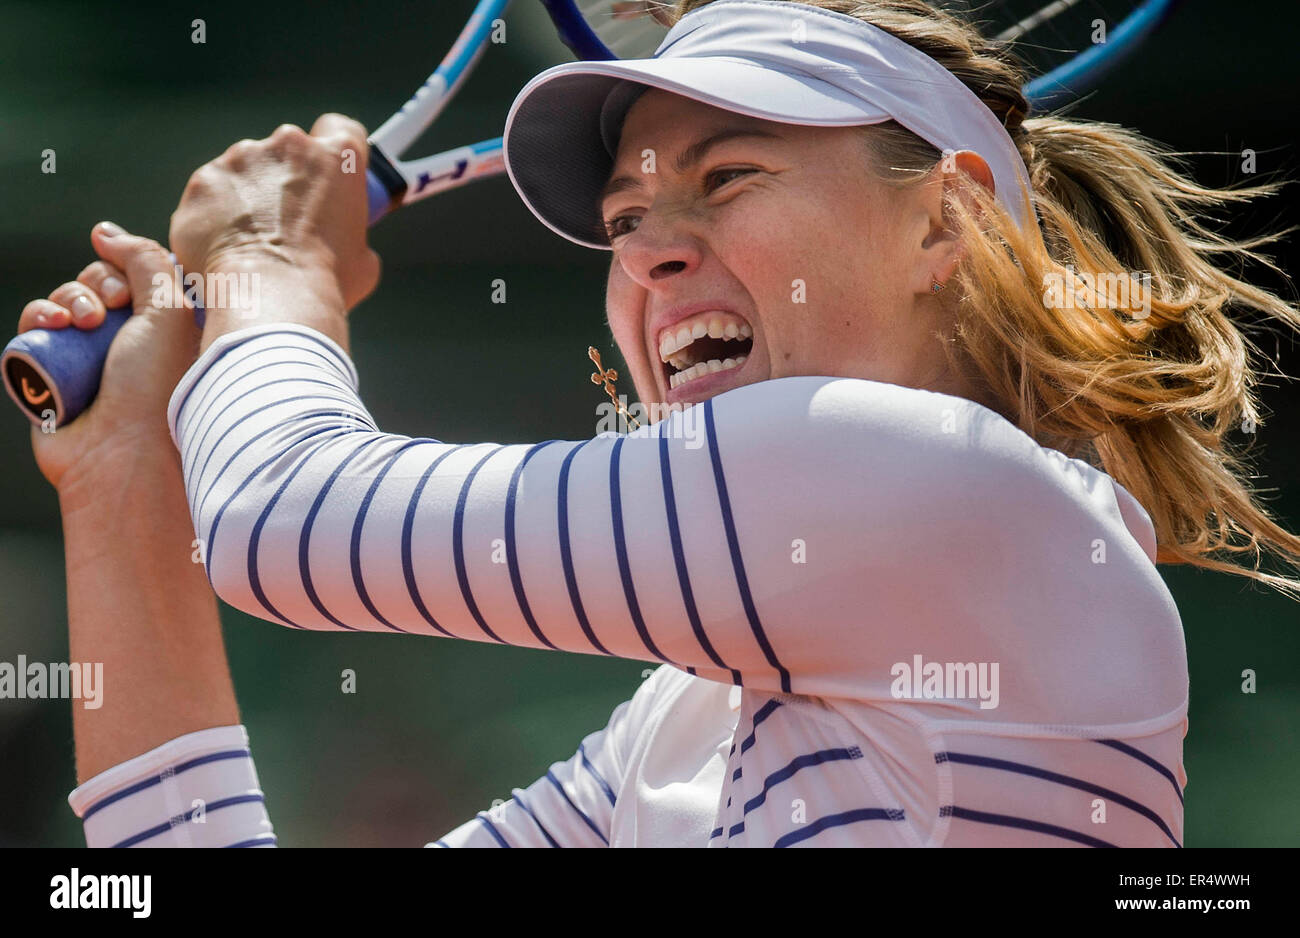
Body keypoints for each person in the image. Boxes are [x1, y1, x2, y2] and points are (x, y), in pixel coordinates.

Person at [25, 0, 1299, 847]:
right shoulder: (680, 723)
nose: (652, 256)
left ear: (945, 222)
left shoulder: (968, 495)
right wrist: (127, 479)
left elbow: (284, 523)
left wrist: (268, 264)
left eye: (726, 178)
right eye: (625, 221)